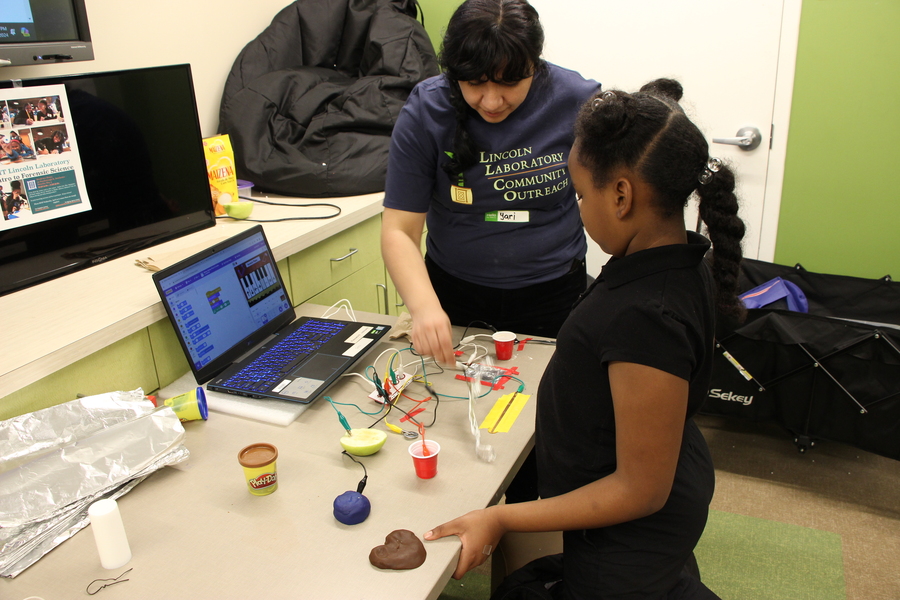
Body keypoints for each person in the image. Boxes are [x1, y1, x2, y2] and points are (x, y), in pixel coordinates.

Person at [424, 79, 746, 600]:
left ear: (621, 195)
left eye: (579, 194)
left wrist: (502, 517)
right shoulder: (674, 261)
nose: (577, 207)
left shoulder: (648, 315)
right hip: (651, 506)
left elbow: (638, 489)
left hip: (626, 547)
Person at [381, 0, 600, 368]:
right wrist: (424, 307)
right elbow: (399, 230)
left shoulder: (575, 101)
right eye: (474, 84)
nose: (492, 101)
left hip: (555, 294)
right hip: (454, 295)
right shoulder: (427, 109)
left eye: (510, 83)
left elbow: (609, 199)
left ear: (535, 63)